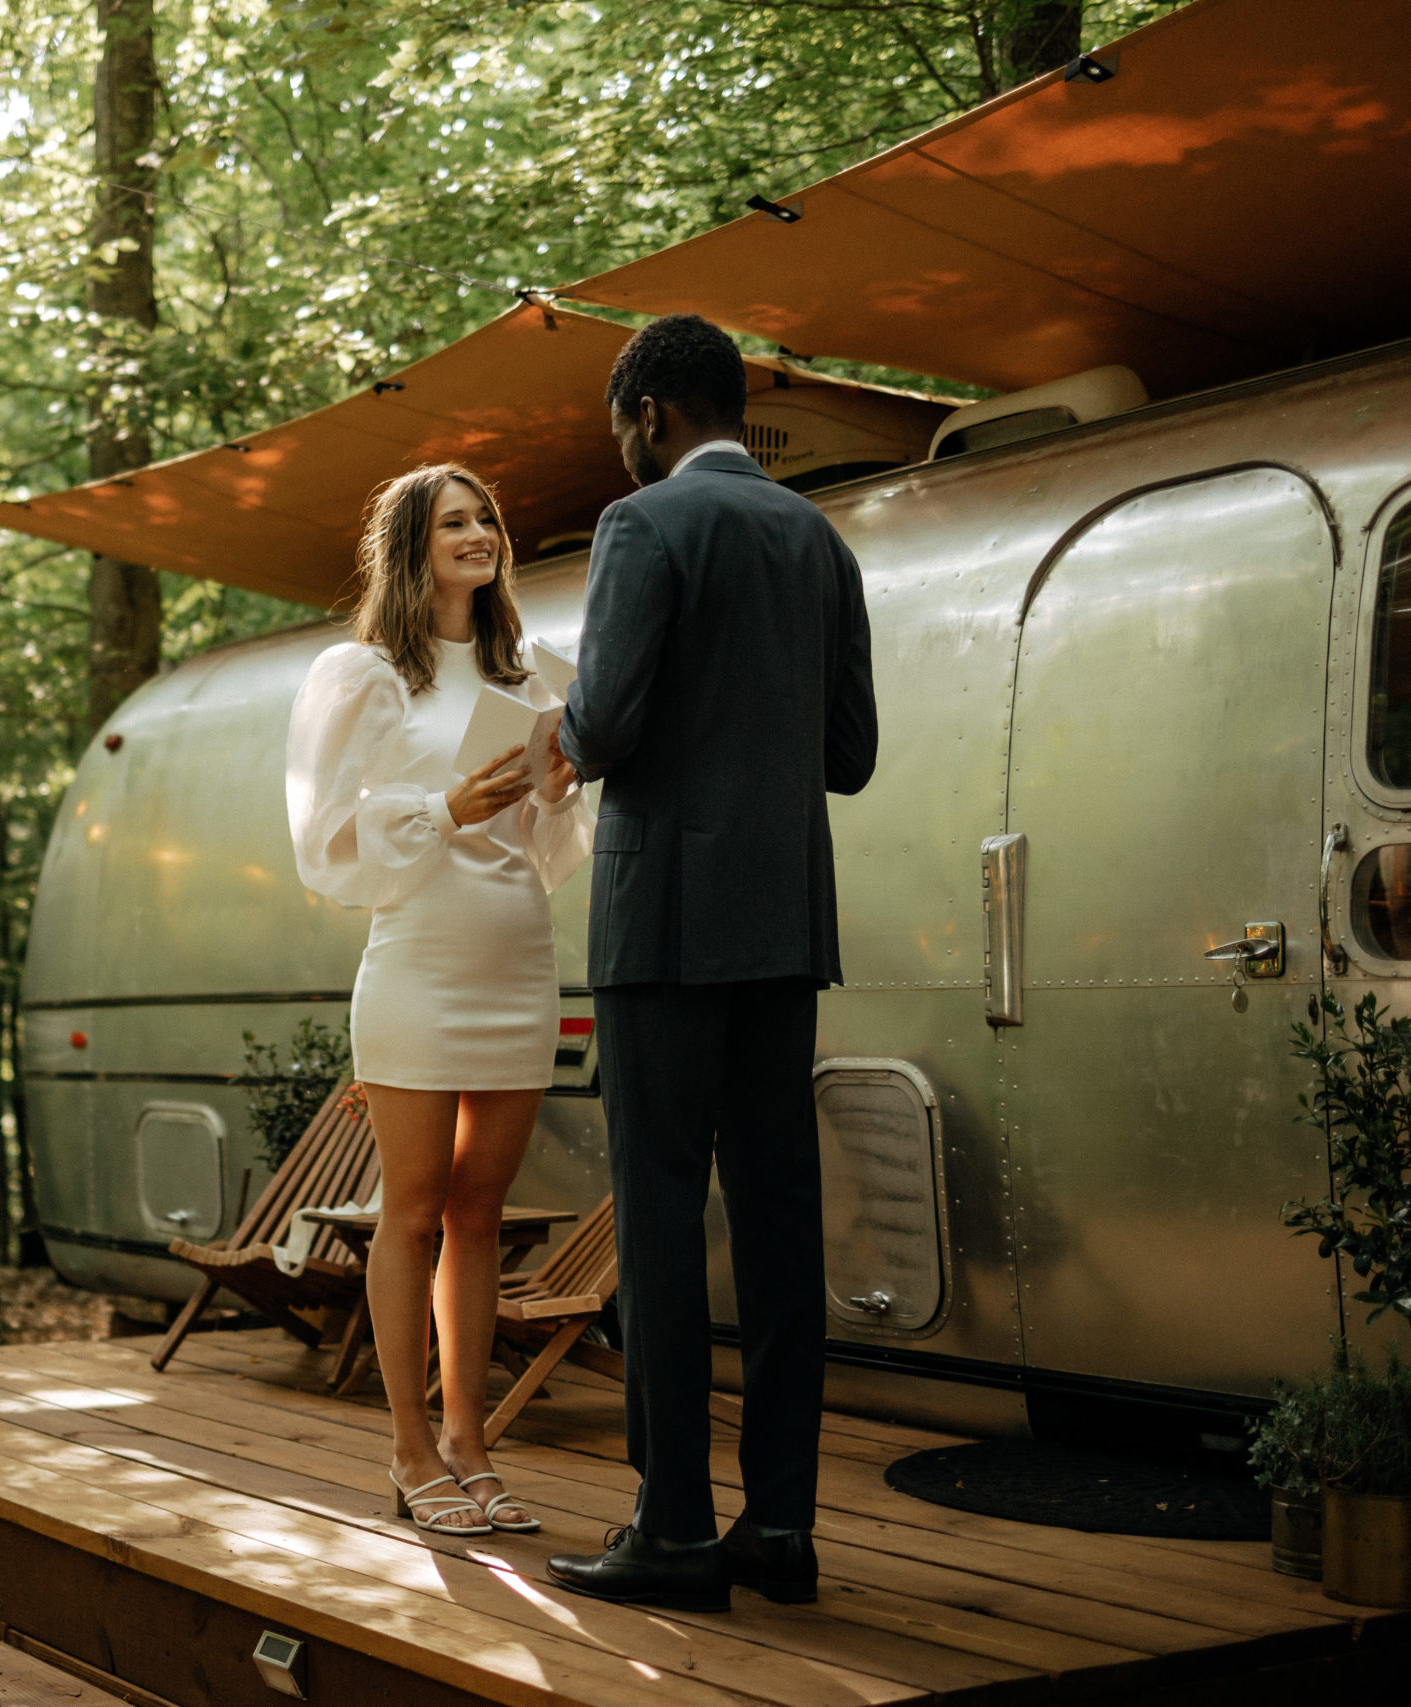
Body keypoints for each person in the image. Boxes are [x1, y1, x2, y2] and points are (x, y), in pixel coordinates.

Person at [542, 314, 877, 1611]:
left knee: (665, 1218)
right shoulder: (821, 539)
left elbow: (609, 721)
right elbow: (847, 755)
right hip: (784, 930)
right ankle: (780, 1527)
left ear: (651, 415)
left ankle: (674, 1522)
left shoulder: (644, 529)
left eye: (619, 425)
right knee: (784, 1220)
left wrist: (559, 726)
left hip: (664, 929)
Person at [286, 463, 593, 1537]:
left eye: (487, 518)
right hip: (415, 965)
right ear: (412, 544)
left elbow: (547, 856)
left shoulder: (532, 676)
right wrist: (441, 805)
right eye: (453, 521)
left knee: (479, 1216)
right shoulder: (364, 675)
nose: (478, 533)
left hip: (517, 961)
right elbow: (321, 845)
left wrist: (552, 797)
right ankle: (409, 1451)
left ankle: (470, 1445)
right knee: (410, 1213)